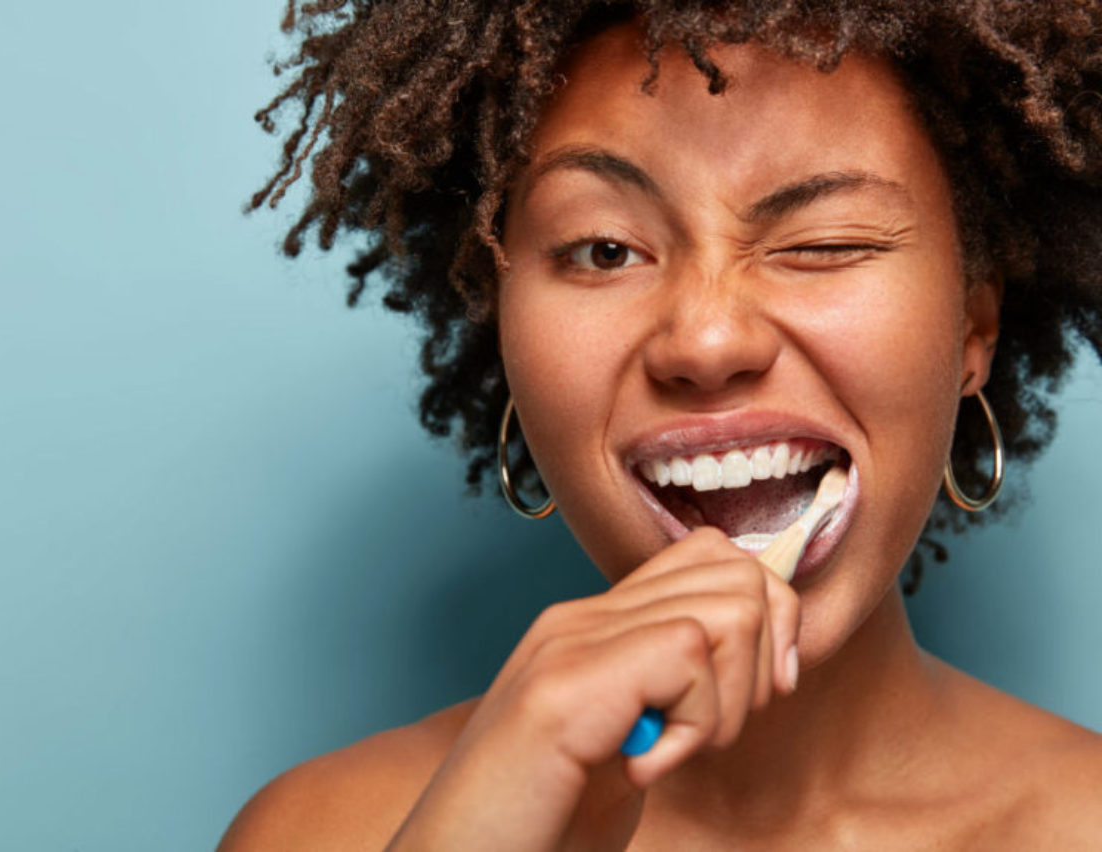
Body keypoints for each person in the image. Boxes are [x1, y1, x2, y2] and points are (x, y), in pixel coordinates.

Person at [221, 1, 1102, 848]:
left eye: (825, 241)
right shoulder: (323, 833)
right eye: (604, 250)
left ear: (972, 325)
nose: (708, 340)